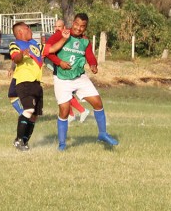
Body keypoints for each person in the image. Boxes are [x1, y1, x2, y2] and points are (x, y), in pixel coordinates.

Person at [44, 12, 118, 150]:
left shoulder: (85, 41)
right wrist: (60, 62)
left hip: (79, 77)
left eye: (82, 26)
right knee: (64, 110)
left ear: (85, 27)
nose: (79, 28)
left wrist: (93, 64)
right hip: (62, 78)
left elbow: (89, 55)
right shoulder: (61, 34)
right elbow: (47, 52)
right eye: (77, 24)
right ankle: (62, 144)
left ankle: (102, 134)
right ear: (73, 23)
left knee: (97, 102)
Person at [9, 21, 45, 151]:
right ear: (20, 32)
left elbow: (51, 49)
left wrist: (63, 38)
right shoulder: (15, 44)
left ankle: (24, 142)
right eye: (27, 28)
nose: (30, 30)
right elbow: (16, 58)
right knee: (28, 110)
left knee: (34, 115)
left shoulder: (35, 44)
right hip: (24, 82)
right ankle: (18, 140)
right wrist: (22, 54)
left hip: (37, 83)